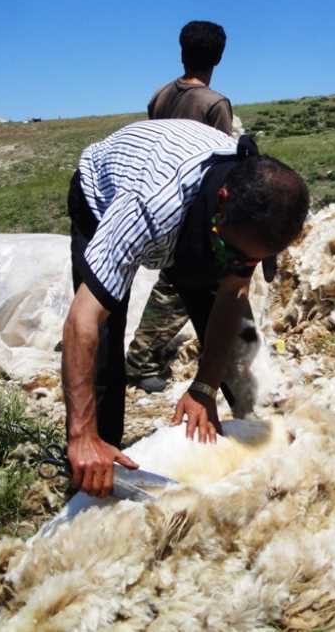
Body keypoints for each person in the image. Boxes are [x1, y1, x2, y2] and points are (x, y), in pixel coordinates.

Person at [62, 118, 309, 496]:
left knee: (217, 300)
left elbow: (232, 294)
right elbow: (83, 319)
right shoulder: (150, 207)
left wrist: (204, 387)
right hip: (104, 195)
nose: (241, 263)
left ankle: (237, 437)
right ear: (222, 202)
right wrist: (81, 433)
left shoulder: (247, 213)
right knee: (107, 340)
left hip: (201, 220)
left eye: (253, 259)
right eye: (237, 252)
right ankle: (95, 463)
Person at [128, 21, 235, 393]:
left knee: (178, 281)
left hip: (158, 196)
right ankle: (141, 362)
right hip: (191, 206)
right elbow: (219, 163)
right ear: (219, 57)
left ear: (181, 51)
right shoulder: (214, 104)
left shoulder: (159, 96)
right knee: (177, 285)